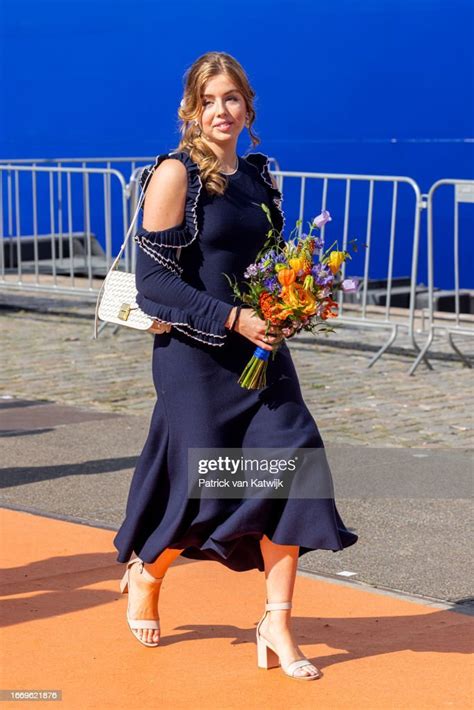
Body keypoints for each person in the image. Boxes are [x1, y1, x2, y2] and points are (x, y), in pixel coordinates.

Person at [113, 51, 357, 681]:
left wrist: (291, 301)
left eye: (232, 99)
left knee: (293, 469)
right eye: (209, 100)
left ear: (249, 106)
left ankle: (276, 620)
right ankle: (150, 569)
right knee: (209, 487)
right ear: (191, 109)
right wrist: (232, 318)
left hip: (262, 353)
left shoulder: (257, 176)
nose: (222, 111)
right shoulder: (174, 175)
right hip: (196, 360)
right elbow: (151, 285)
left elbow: (261, 268)